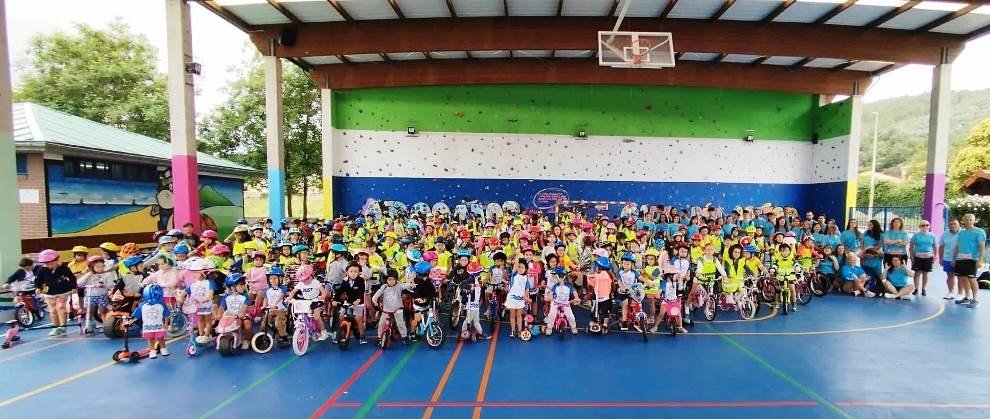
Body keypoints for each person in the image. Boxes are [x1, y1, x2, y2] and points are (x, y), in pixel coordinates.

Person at [34, 250, 76, 336]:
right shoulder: (42, 269)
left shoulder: (64, 268)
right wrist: (38, 287)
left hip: (63, 291)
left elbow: (72, 277)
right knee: (52, 310)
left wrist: (73, 287)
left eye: (51, 263)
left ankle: (63, 327)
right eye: (46, 263)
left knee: (61, 308)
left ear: (57, 260)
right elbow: (38, 279)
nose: (48, 265)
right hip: (49, 292)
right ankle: (55, 327)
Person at [954, 214, 987, 308]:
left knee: (972, 279)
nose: (968, 221)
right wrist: (954, 258)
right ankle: (967, 298)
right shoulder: (961, 233)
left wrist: (980, 260)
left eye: (970, 220)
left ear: (974, 221)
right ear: (963, 221)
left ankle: (975, 300)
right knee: (964, 279)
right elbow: (958, 246)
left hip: (972, 259)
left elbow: (982, 247)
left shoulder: (979, 232)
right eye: (966, 220)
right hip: (960, 259)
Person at [288, 264, 329, 341]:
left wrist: (322, 297)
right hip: (306, 301)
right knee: (301, 315)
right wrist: (289, 298)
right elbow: (293, 292)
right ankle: (307, 329)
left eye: (308, 278)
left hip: (315, 300)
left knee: (316, 317)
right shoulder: (301, 284)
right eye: (304, 279)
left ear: (311, 275)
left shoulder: (315, 282)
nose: (306, 280)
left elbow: (324, 292)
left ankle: (324, 331)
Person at [372, 269, 413, 344]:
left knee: (401, 323)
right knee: (381, 323)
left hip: (397, 308)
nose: (391, 281)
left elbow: (405, 285)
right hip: (386, 309)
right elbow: (378, 293)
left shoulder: (398, 286)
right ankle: (379, 337)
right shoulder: (384, 287)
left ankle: (404, 336)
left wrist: (410, 285)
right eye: (389, 279)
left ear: (396, 280)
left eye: (394, 279)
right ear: (386, 280)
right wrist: (374, 300)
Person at [131, 284, 170, 358]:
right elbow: (137, 315)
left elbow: (166, 314)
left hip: (159, 325)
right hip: (148, 326)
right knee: (150, 339)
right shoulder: (142, 305)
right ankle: (152, 351)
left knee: (161, 338)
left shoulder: (161, 304)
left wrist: (166, 324)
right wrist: (129, 322)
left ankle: (163, 349)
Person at [336, 263, 368, 344]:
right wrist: (334, 300)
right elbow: (340, 291)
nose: (353, 273)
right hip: (348, 302)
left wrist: (358, 299)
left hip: (358, 303)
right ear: (347, 272)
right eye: (351, 271)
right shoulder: (345, 280)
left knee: (358, 318)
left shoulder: (361, 280)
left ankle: (362, 336)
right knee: (341, 316)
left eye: (355, 271)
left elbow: (361, 291)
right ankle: (341, 333)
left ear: (358, 272)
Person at [260, 268, 289, 346]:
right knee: (264, 322)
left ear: (280, 279)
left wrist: (275, 304)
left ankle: (284, 336)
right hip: (271, 310)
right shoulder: (267, 290)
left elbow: (281, 296)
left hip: (281, 309)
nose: (272, 280)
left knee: (278, 323)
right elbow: (265, 300)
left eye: (275, 278)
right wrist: (264, 306)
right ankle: (262, 336)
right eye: (270, 278)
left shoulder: (283, 288)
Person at [505, 258, 532, 338]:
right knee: (512, 316)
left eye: (522, 267)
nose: (520, 269)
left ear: (525, 269)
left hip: (520, 300)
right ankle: (513, 330)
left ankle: (520, 330)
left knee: (519, 316)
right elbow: (516, 264)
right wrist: (517, 256)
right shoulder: (514, 275)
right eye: (519, 267)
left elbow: (527, 289)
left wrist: (526, 297)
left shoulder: (526, 278)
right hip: (512, 298)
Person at [909, 220, 937, 296]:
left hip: (928, 257)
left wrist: (935, 256)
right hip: (917, 257)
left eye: (927, 225)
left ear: (929, 226)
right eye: (923, 225)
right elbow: (911, 246)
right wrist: (911, 255)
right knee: (917, 273)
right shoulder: (916, 235)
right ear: (920, 227)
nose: (925, 227)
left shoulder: (932, 236)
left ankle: (924, 289)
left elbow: (935, 246)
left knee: (925, 273)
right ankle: (916, 289)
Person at [939, 219, 961, 300]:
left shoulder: (963, 233)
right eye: (951, 224)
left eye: (955, 224)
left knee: (960, 277)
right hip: (947, 258)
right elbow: (941, 246)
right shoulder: (945, 234)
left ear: (958, 224)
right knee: (950, 276)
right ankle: (951, 292)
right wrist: (941, 258)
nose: (953, 225)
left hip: (960, 259)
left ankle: (960, 294)